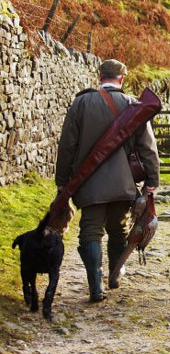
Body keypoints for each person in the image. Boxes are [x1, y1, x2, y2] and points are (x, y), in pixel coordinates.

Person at [55, 59, 160, 302]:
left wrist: (63, 182)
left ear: (99, 76)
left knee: (90, 232)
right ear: (122, 78)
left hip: (88, 183)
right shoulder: (133, 105)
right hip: (124, 184)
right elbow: (148, 147)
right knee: (119, 229)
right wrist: (152, 181)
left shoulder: (81, 103)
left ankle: (95, 287)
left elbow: (67, 146)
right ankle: (115, 273)